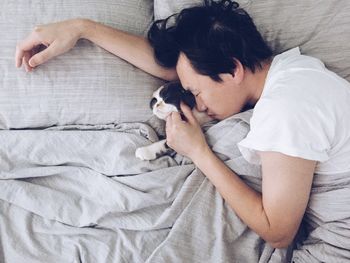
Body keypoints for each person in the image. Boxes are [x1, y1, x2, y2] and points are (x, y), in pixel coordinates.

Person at [15, 0, 350, 249]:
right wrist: (83, 28)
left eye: (196, 92)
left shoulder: (285, 110)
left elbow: (279, 232)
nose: (197, 103)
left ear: (233, 70)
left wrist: (199, 152)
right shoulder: (292, 69)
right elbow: (176, 70)